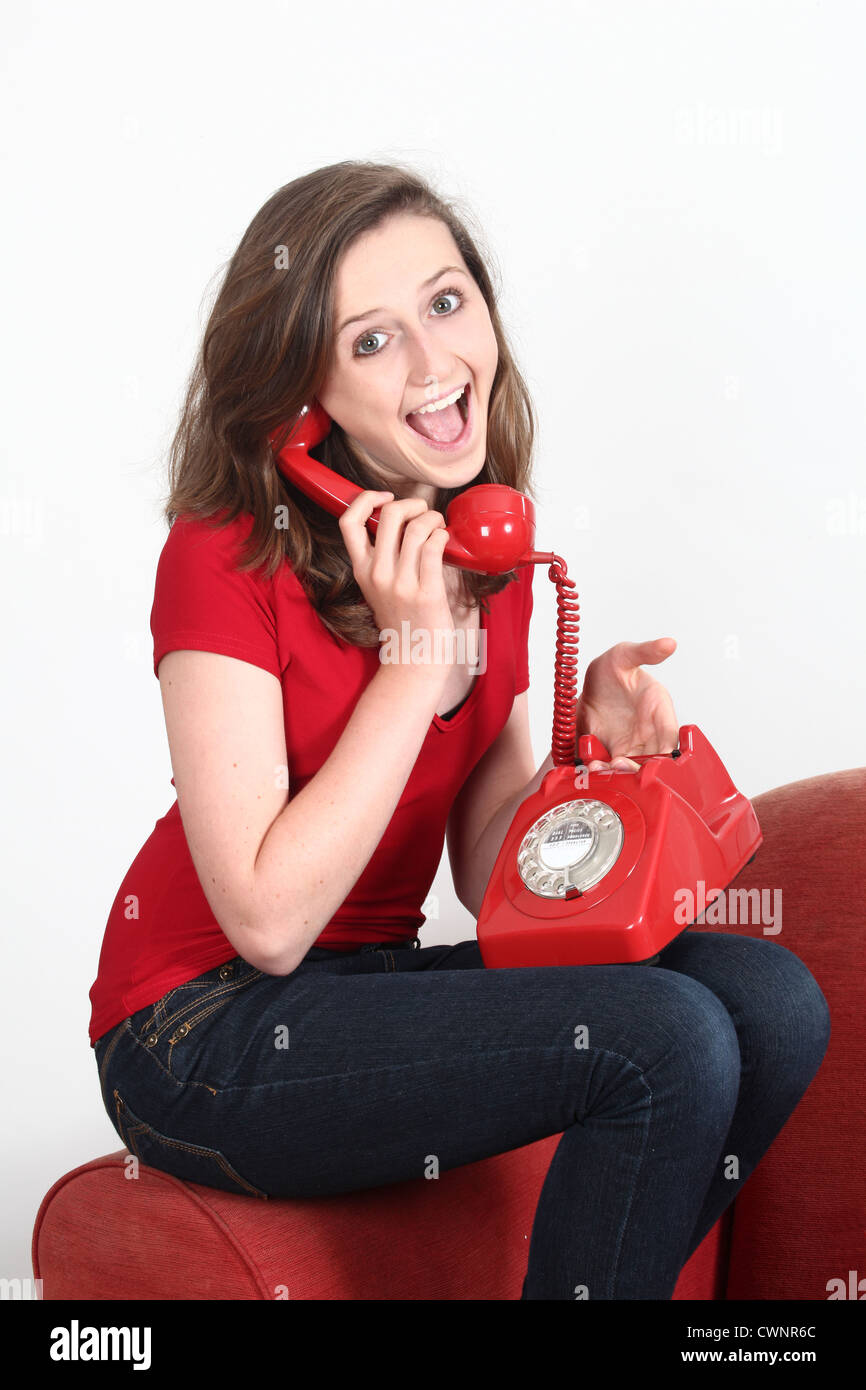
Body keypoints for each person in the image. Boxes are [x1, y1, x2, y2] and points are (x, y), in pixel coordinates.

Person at [90, 159, 830, 1300]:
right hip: (198, 1029)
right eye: (372, 340)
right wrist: (413, 659)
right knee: (663, 1035)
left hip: (367, 988)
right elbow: (270, 921)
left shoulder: (488, 553)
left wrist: (595, 770)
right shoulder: (224, 551)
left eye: (445, 303)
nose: (436, 365)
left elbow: (498, 890)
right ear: (303, 397)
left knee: (768, 1003)